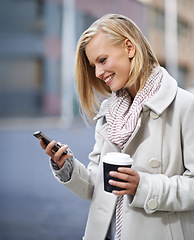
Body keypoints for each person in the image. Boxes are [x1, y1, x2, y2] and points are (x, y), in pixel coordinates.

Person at [39, 14, 194, 240]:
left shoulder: (183, 106)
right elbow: (97, 186)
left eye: (102, 60)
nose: (98, 73)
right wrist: (67, 166)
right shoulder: (110, 112)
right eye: (93, 65)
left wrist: (143, 185)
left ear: (129, 47)